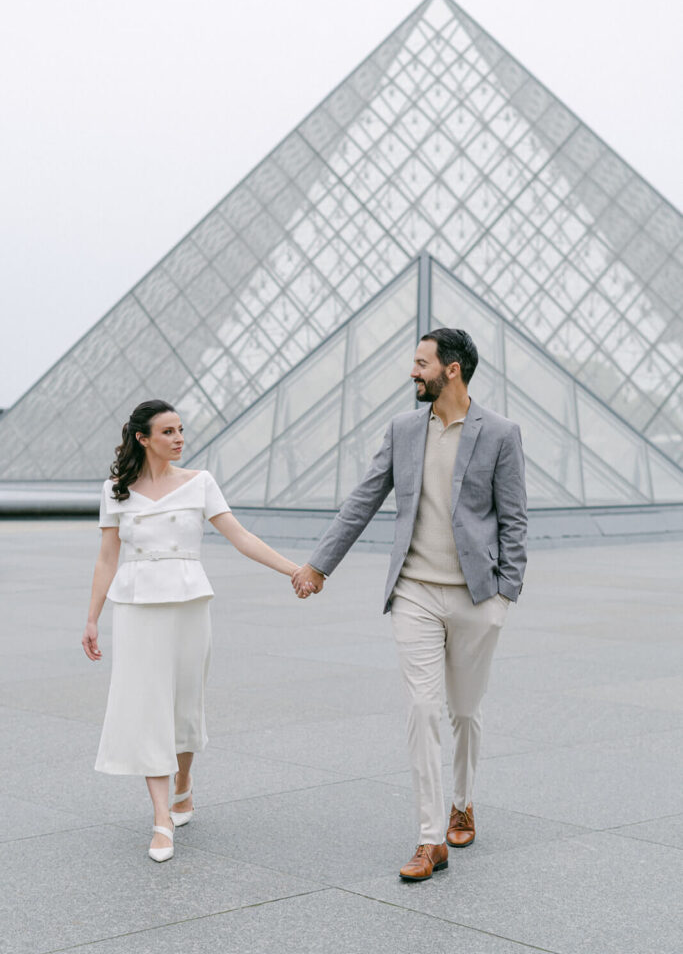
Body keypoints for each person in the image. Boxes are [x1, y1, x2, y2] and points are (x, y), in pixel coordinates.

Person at [292, 328, 527, 881]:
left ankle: (462, 802)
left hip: (477, 595)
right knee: (422, 710)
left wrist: (504, 595)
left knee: (465, 712)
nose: (412, 372)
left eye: (421, 363)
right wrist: (318, 565)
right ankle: (429, 839)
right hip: (414, 592)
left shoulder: (500, 433)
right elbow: (363, 501)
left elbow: (514, 518)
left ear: (451, 369)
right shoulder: (402, 430)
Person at [82, 399, 307, 863]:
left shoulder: (200, 483)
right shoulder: (116, 490)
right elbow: (107, 557)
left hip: (188, 605)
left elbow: (241, 536)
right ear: (143, 438)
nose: (179, 438)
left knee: (185, 704)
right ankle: (162, 819)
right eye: (167, 431)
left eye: (181, 429)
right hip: (137, 608)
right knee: (147, 707)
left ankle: (184, 784)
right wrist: (91, 618)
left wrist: (295, 570)